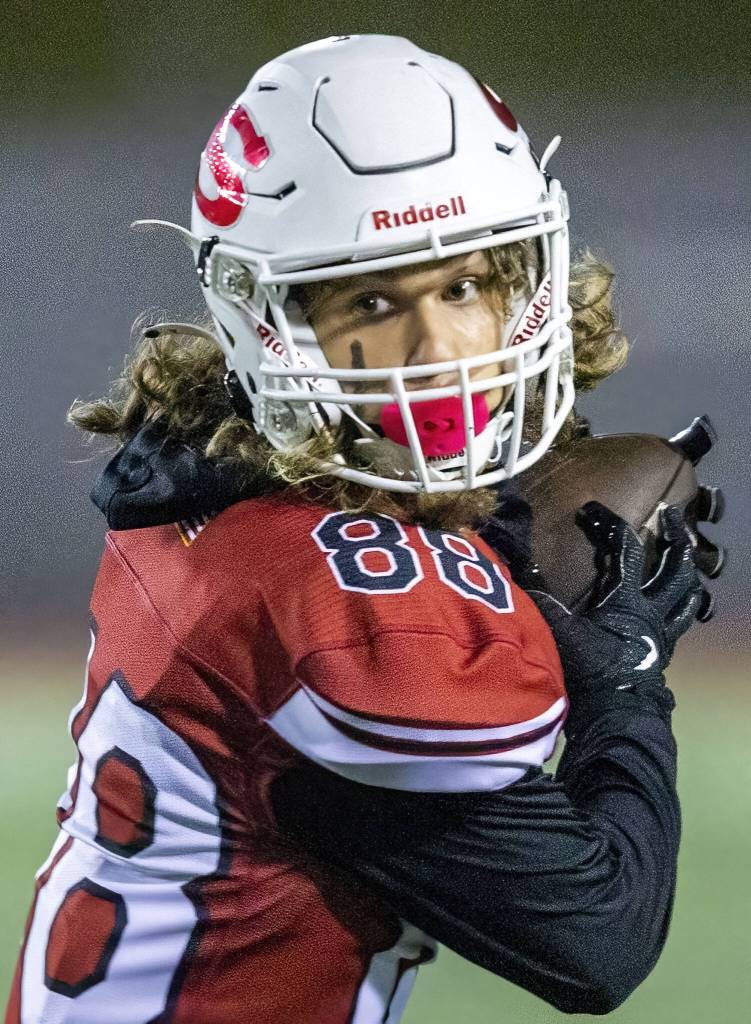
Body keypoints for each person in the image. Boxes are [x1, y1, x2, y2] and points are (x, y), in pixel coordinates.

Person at [5, 35, 723, 1024]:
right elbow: (597, 937)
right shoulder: (325, 603)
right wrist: (626, 683)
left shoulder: (205, 480)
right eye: (374, 300)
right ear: (271, 320)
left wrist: (500, 536)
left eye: (466, 285)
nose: (437, 350)